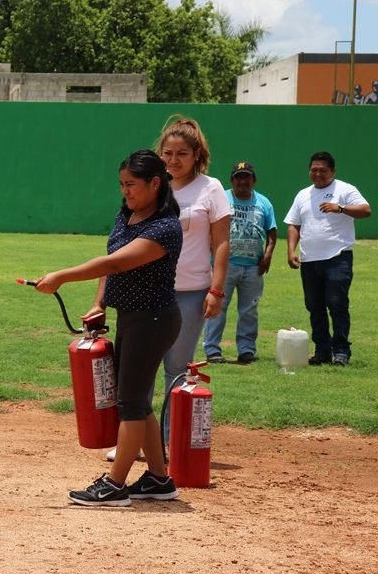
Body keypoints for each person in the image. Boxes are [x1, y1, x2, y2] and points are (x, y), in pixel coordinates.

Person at [33, 150, 182, 506]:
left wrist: (62, 277)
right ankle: (160, 480)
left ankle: (115, 486)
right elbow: (112, 261)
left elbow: (116, 262)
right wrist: (100, 303)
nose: (125, 191)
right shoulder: (127, 214)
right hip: (132, 317)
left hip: (154, 320)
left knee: (129, 401)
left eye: (131, 184)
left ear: (155, 183)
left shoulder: (165, 227)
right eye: (121, 184)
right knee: (137, 400)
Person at [107, 116, 230, 462]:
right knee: (136, 371)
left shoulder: (210, 189)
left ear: (197, 155)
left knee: (176, 368)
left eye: (182, 153)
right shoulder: (152, 187)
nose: (174, 159)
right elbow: (119, 247)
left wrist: (216, 289)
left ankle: (170, 442)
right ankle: (134, 440)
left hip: (190, 290)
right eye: (168, 152)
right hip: (144, 292)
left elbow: (221, 242)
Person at [284, 151, 371, 366]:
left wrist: (340, 208)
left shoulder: (344, 189)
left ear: (332, 171)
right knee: (314, 306)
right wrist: (291, 251)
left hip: (337, 258)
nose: (318, 174)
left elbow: (365, 210)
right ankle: (322, 351)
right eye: (314, 170)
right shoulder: (303, 194)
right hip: (310, 260)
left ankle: (341, 351)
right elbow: (294, 224)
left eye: (323, 170)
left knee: (336, 303)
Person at [202, 161, 277, 365]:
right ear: (232, 180)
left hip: (253, 266)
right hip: (224, 266)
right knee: (217, 306)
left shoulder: (264, 203)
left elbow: (272, 232)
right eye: (238, 177)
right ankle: (212, 349)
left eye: (247, 177)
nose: (242, 181)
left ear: (254, 180)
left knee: (249, 310)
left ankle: (246, 350)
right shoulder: (222, 199)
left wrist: (267, 256)